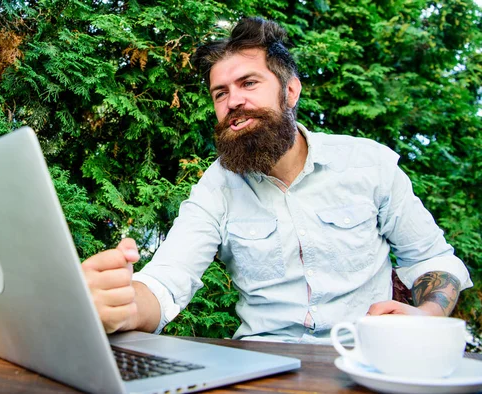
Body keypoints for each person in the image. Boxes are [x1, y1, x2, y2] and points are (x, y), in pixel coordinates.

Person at [82, 17, 473, 344]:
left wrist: (428, 314)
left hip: (366, 361)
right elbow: (166, 283)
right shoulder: (216, 188)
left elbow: (431, 259)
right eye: (221, 93)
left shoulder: (369, 164)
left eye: (248, 83)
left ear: (290, 91)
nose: (233, 101)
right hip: (261, 369)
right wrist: (121, 305)